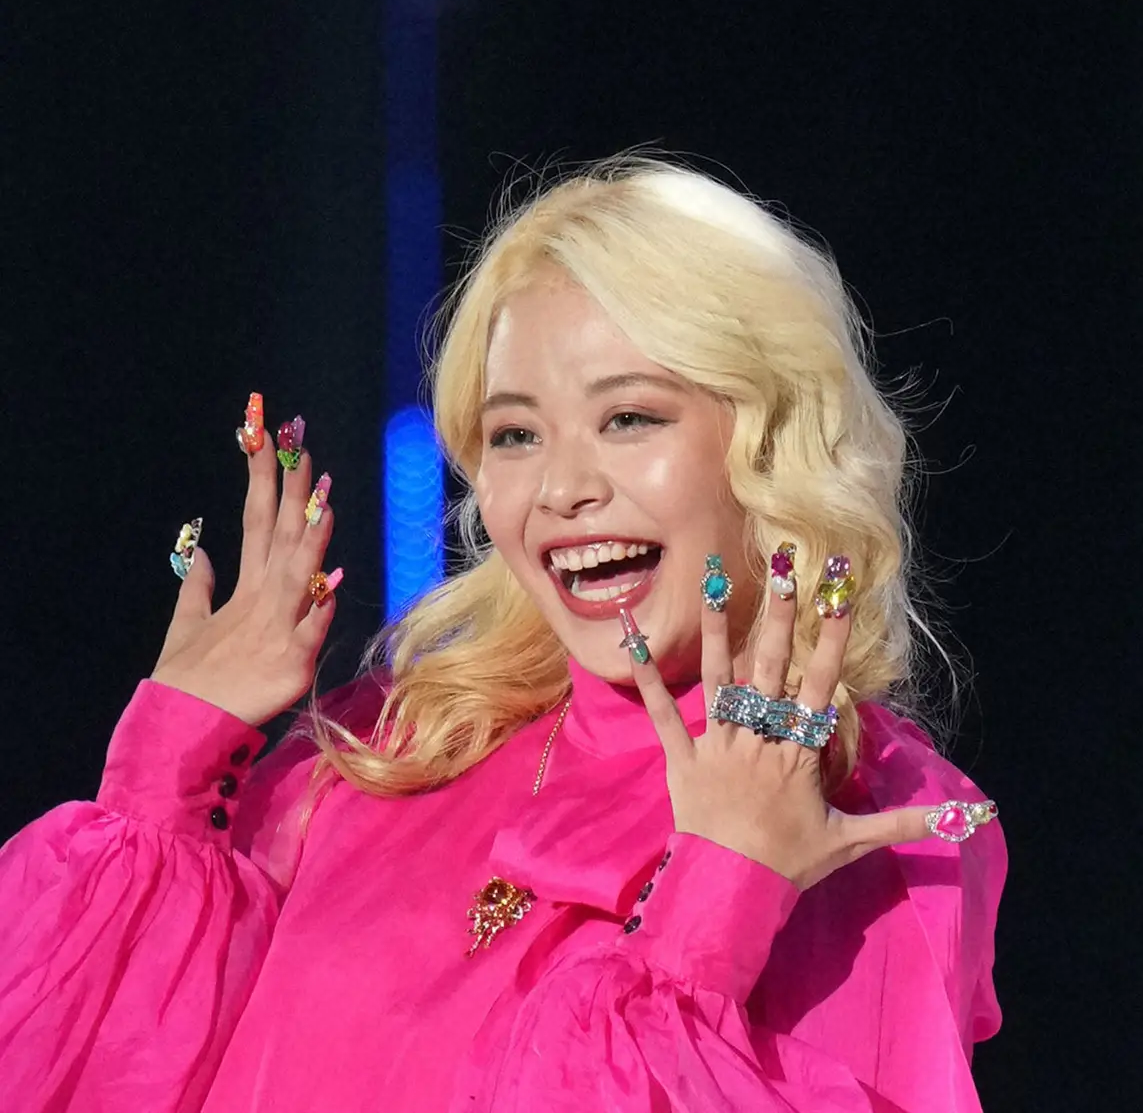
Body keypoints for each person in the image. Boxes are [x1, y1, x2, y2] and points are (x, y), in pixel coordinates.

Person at [0, 157, 1005, 1112]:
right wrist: (167, 776)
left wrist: (714, 917)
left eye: (629, 418)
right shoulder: (388, 747)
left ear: (770, 443)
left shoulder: (873, 821)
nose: (561, 488)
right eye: (516, 434)